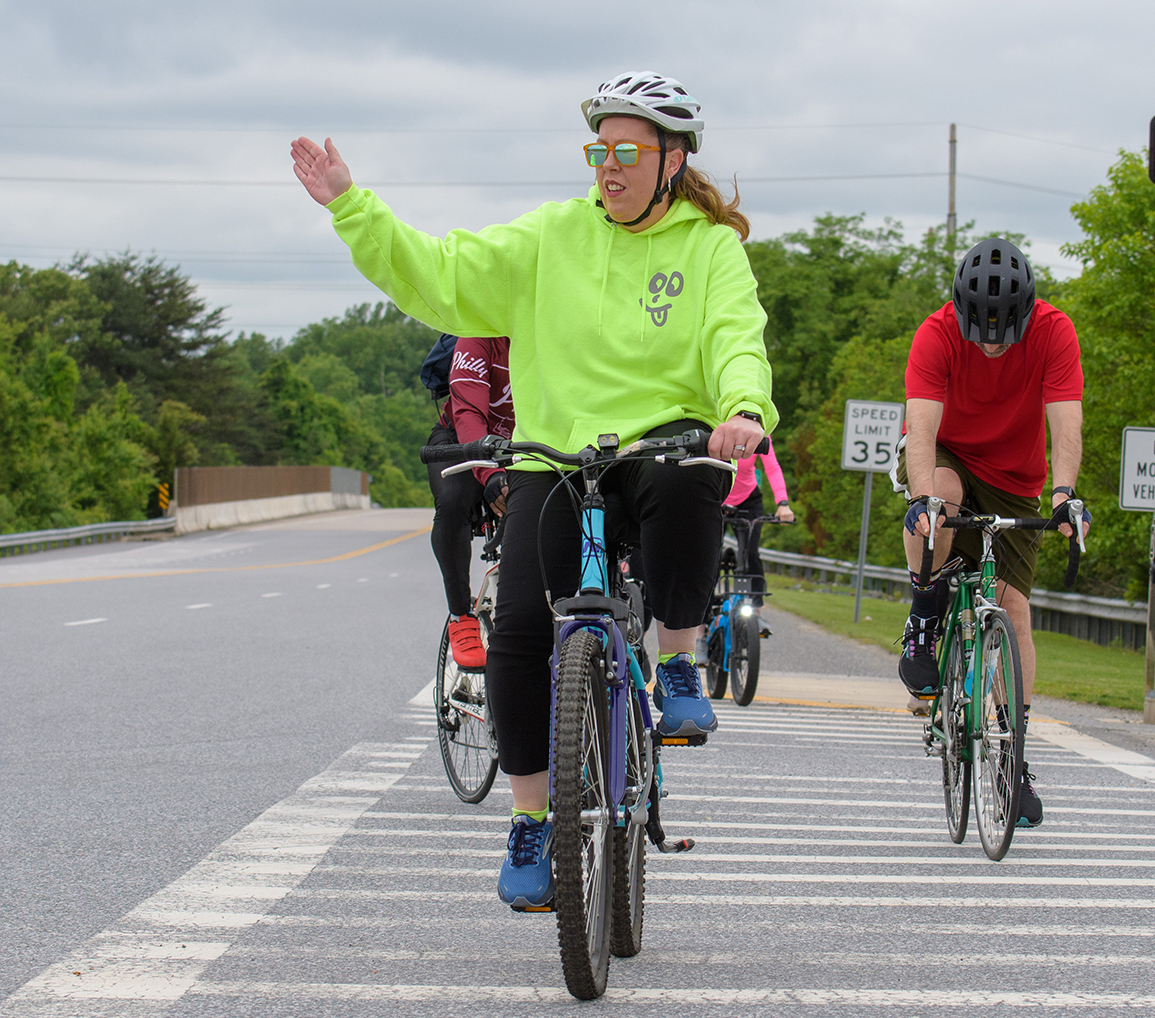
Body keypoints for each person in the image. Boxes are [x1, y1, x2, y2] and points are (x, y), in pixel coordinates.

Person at [291, 70, 777, 909]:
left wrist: (739, 408)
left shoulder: (709, 248)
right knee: (516, 626)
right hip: (558, 459)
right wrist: (351, 206)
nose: (607, 167)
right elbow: (439, 276)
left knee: (696, 473)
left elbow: (738, 338)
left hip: (660, 450)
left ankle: (680, 665)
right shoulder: (551, 236)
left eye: (626, 151)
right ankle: (530, 819)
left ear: (671, 158)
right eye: (597, 150)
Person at [891, 237, 1089, 829]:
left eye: (1006, 330)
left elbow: (1067, 424)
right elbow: (922, 427)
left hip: (1013, 473)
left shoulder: (1055, 332)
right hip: (946, 453)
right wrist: (924, 498)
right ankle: (925, 612)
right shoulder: (937, 332)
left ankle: (1013, 758)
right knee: (941, 498)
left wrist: (1063, 495)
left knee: (1014, 608)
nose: (995, 344)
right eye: (984, 330)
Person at [425, 335, 514, 669]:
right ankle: (461, 615)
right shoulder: (478, 337)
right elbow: (469, 415)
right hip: (462, 437)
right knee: (453, 503)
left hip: (523, 443)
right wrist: (490, 474)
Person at [722, 439, 794, 604]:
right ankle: (701, 622)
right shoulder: (718, 425)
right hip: (717, 498)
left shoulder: (758, 432)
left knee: (750, 554)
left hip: (748, 500)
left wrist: (783, 503)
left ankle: (756, 608)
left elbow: (772, 468)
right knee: (707, 557)